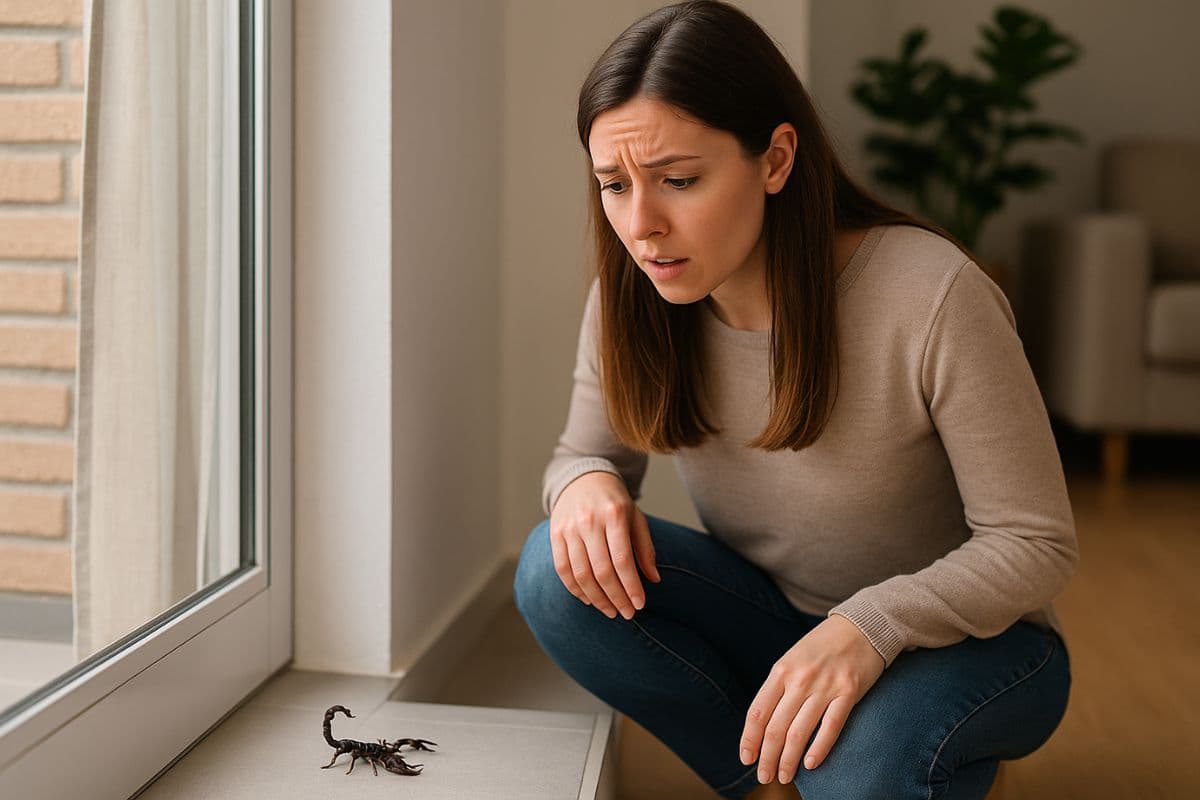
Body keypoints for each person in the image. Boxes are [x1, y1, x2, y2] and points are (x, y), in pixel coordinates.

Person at [512, 2, 1076, 799]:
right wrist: (584, 485)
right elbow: (584, 455)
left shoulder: (931, 293)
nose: (642, 225)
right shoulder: (631, 297)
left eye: (679, 180)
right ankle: (771, 774)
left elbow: (1035, 543)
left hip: (975, 643)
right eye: (613, 184)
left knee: (863, 770)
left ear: (775, 160)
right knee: (550, 571)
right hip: (780, 621)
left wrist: (869, 627)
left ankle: (868, 755)